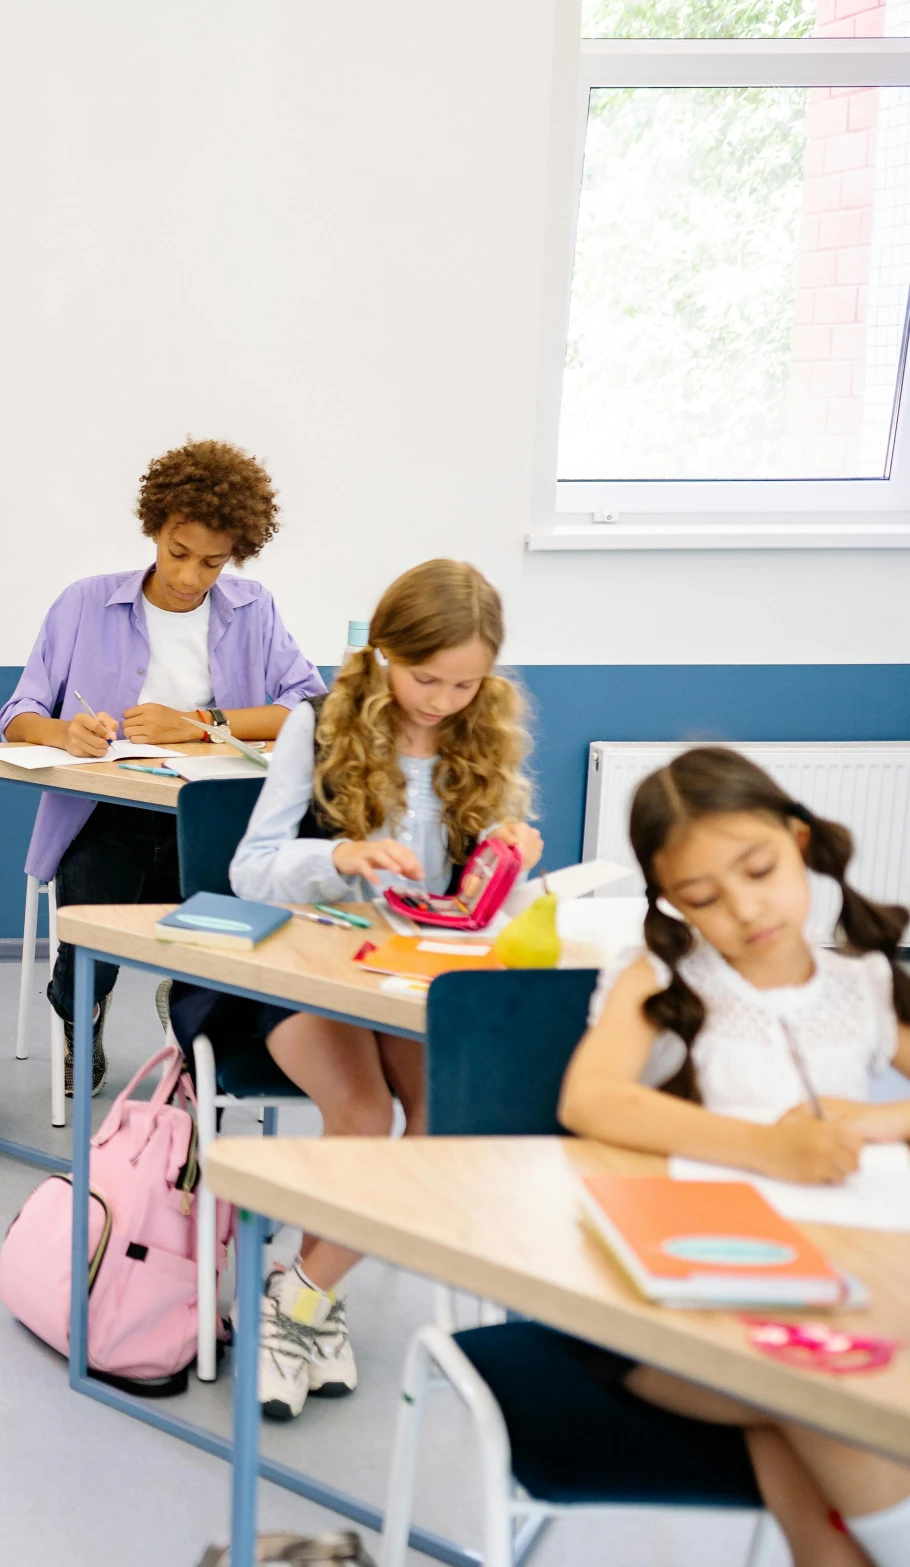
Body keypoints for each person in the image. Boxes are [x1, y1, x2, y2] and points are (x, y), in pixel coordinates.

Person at [193, 558, 542, 1419]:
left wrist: (514, 865)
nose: (443, 699)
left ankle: (302, 1295)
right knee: (363, 1116)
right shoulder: (317, 724)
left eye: (467, 682)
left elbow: (485, 904)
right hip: (306, 969)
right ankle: (309, 1308)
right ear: (384, 650)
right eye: (427, 677)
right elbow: (250, 869)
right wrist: (343, 856)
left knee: (434, 1124)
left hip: (414, 977)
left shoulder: (482, 731)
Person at [558, 747, 910, 1567]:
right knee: (821, 1388)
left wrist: (883, 1119)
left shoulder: (860, 981)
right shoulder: (664, 976)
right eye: (703, 898)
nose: (747, 909)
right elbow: (591, 1099)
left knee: (807, 1411)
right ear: (671, 904)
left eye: (761, 869)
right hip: (690, 1310)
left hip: (842, 1282)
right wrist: (772, 1149)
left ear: (799, 841)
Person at [0, 439, 325, 1092]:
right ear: (154, 529)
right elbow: (18, 713)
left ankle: (191, 1006)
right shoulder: (85, 603)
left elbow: (311, 708)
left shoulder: (253, 608)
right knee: (91, 908)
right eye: (178, 553)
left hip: (211, 819)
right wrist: (65, 733)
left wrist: (205, 724)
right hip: (106, 812)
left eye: (213, 562)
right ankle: (81, 1006)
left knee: (226, 926)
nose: (189, 577)